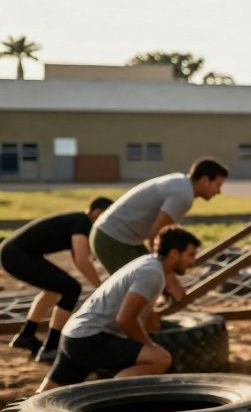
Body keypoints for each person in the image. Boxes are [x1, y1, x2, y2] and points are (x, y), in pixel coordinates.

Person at [38, 226, 200, 391]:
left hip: (74, 334)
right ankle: (110, 400)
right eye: (190, 255)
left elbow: (138, 318)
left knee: (42, 399)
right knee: (160, 359)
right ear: (173, 253)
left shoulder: (148, 263)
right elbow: (125, 319)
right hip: (90, 338)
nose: (193, 261)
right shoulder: (152, 273)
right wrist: (149, 346)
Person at [91, 158, 227, 305]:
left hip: (120, 236)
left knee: (152, 278)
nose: (218, 191)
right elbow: (156, 236)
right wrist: (171, 282)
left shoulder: (181, 183)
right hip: (112, 238)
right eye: (218, 185)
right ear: (205, 180)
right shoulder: (183, 195)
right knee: (141, 285)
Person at [2, 197, 113, 362]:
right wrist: (100, 286)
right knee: (71, 288)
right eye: (108, 217)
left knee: (56, 289)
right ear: (97, 213)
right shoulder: (82, 222)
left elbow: (78, 258)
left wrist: (99, 284)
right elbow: (82, 260)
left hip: (13, 253)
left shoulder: (80, 221)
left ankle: (26, 335)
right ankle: (51, 348)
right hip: (15, 255)